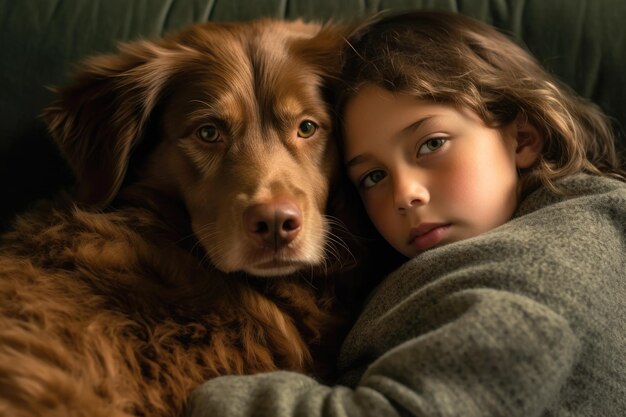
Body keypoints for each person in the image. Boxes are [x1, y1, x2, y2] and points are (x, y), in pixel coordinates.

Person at [186, 10, 626, 417]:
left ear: (523, 137)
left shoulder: (556, 259)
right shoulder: (471, 237)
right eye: (373, 176)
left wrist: (205, 395)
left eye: (431, 144)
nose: (405, 194)